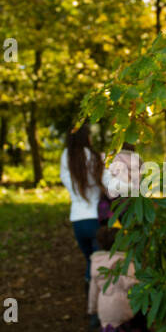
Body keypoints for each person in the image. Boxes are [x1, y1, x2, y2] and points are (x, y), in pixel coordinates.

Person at [87, 224, 143, 332]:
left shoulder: (96, 263)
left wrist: (92, 308)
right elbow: (131, 283)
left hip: (104, 306)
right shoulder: (125, 262)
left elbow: (93, 290)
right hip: (122, 305)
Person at [59, 124, 107, 290]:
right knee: (99, 264)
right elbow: (107, 184)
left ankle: (90, 304)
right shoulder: (94, 157)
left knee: (89, 261)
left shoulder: (66, 157)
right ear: (86, 137)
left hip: (77, 220)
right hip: (95, 219)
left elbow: (66, 181)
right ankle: (100, 308)